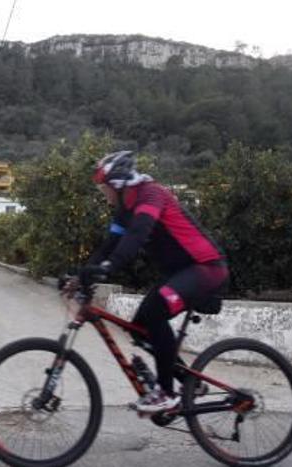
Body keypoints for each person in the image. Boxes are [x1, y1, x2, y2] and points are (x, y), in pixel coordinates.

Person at [79, 150, 229, 413]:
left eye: (105, 189)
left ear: (118, 184)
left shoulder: (151, 194)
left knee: (156, 312)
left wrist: (108, 268)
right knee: (139, 327)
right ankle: (189, 382)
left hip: (205, 267)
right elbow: (110, 245)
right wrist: (79, 274)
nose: (105, 195)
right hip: (181, 272)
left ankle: (166, 393)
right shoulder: (124, 210)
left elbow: (137, 235)